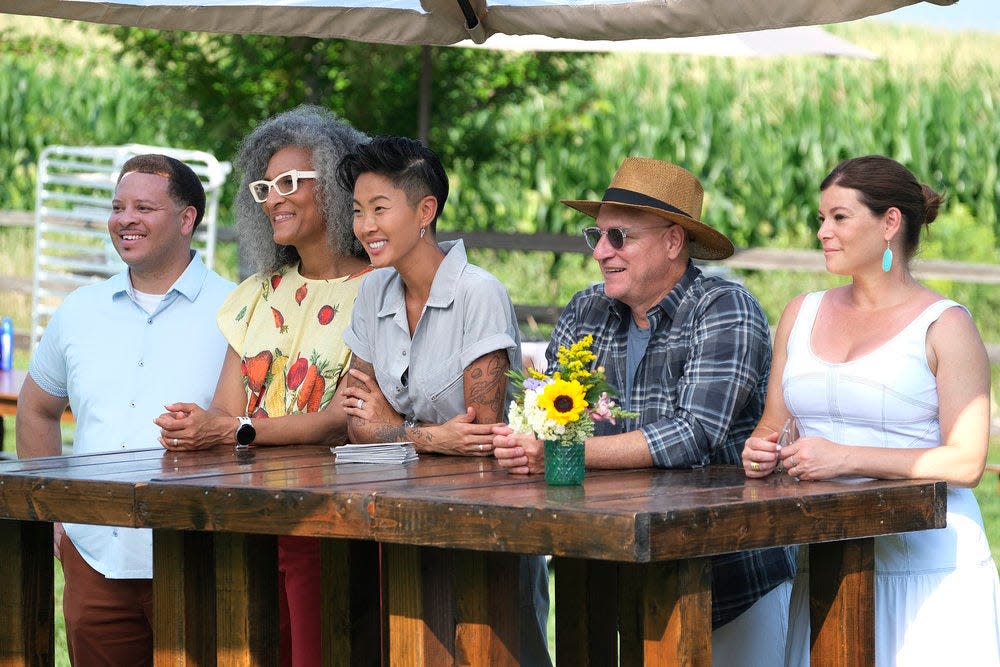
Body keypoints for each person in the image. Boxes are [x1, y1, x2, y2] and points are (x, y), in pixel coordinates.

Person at [493, 157, 795, 665]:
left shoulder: (725, 307)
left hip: (725, 578)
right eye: (597, 236)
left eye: (619, 237)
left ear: (674, 242)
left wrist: (559, 452)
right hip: (608, 576)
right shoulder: (587, 308)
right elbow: (542, 411)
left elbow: (692, 435)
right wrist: (523, 438)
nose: (601, 253)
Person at [742, 155, 1000, 666]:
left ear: (889, 223)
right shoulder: (801, 311)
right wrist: (760, 451)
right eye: (820, 218)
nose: (823, 232)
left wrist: (845, 458)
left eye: (839, 217)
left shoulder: (945, 325)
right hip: (826, 571)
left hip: (928, 573)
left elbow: (965, 463)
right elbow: (774, 424)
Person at [154, 106, 370, 667]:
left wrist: (238, 430)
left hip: (324, 520)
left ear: (339, 180)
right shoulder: (257, 292)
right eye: (266, 185)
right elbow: (225, 408)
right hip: (243, 514)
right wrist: (196, 426)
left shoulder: (377, 288)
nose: (275, 197)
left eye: (293, 181)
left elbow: (349, 414)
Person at [336, 136, 551, 665]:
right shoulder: (372, 292)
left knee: (502, 652)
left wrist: (395, 427)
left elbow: (480, 435)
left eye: (380, 209)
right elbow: (355, 421)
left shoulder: (479, 292)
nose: (365, 226)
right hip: (403, 519)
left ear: (425, 211)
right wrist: (428, 436)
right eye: (358, 211)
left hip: (486, 520)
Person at [16, 154, 234, 665]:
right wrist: (53, 512)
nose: (124, 218)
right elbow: (36, 408)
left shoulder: (236, 311)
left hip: (200, 557)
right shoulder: (79, 311)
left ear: (187, 220)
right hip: (94, 559)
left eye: (143, 207)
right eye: (117, 207)